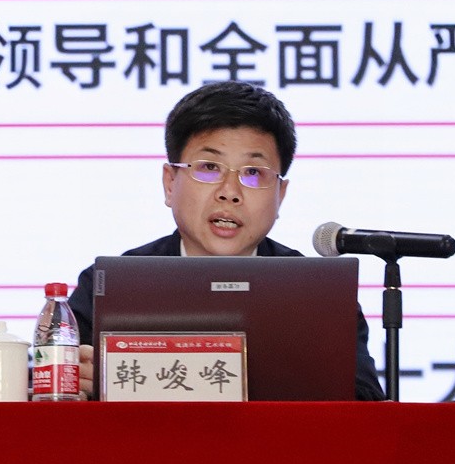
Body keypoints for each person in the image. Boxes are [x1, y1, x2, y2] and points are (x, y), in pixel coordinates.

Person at [69, 81, 386, 401]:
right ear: (170, 183)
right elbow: (56, 391)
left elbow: (366, 404)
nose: (230, 192)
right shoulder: (109, 287)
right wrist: (87, 386)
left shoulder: (319, 297)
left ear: (280, 195)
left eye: (253, 173)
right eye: (209, 167)